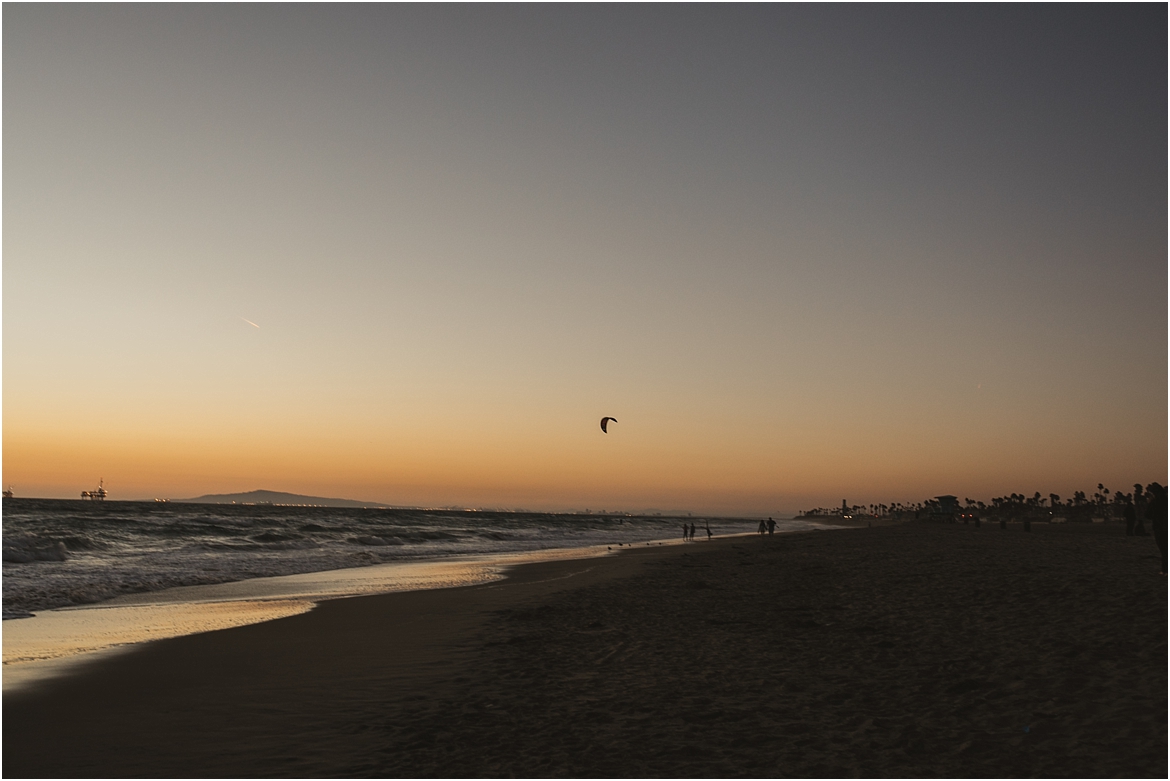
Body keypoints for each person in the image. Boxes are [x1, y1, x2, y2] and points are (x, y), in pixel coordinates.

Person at [1146, 483, 1167, 575]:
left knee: (1164, 550)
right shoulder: (1166, 499)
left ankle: (1165, 570)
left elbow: (1148, 515)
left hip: (1159, 527)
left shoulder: (1155, 502)